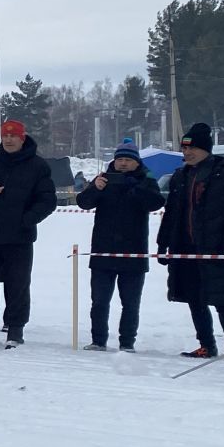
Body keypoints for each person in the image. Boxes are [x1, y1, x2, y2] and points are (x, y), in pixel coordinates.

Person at [156, 122, 224, 359]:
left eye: (192, 149)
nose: (187, 153)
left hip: (217, 248)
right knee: (194, 299)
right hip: (185, 248)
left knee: (223, 300)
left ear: (206, 149)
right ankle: (206, 344)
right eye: (184, 149)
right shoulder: (180, 176)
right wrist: (163, 242)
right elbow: (171, 212)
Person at [0, 119, 59, 346]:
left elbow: (47, 200)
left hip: (20, 237)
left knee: (18, 285)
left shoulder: (38, 166)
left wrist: (28, 219)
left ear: (22, 138)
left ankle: (15, 331)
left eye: (13, 135)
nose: (8, 139)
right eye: (5, 135)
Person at [76, 139, 166, 350]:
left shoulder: (146, 180)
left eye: (128, 160)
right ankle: (98, 340)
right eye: (120, 159)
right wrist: (95, 189)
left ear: (136, 163)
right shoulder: (104, 179)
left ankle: (127, 342)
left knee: (130, 303)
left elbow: (156, 203)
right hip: (103, 251)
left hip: (133, 253)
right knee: (99, 302)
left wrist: (135, 189)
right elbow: (83, 203)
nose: (123, 164)